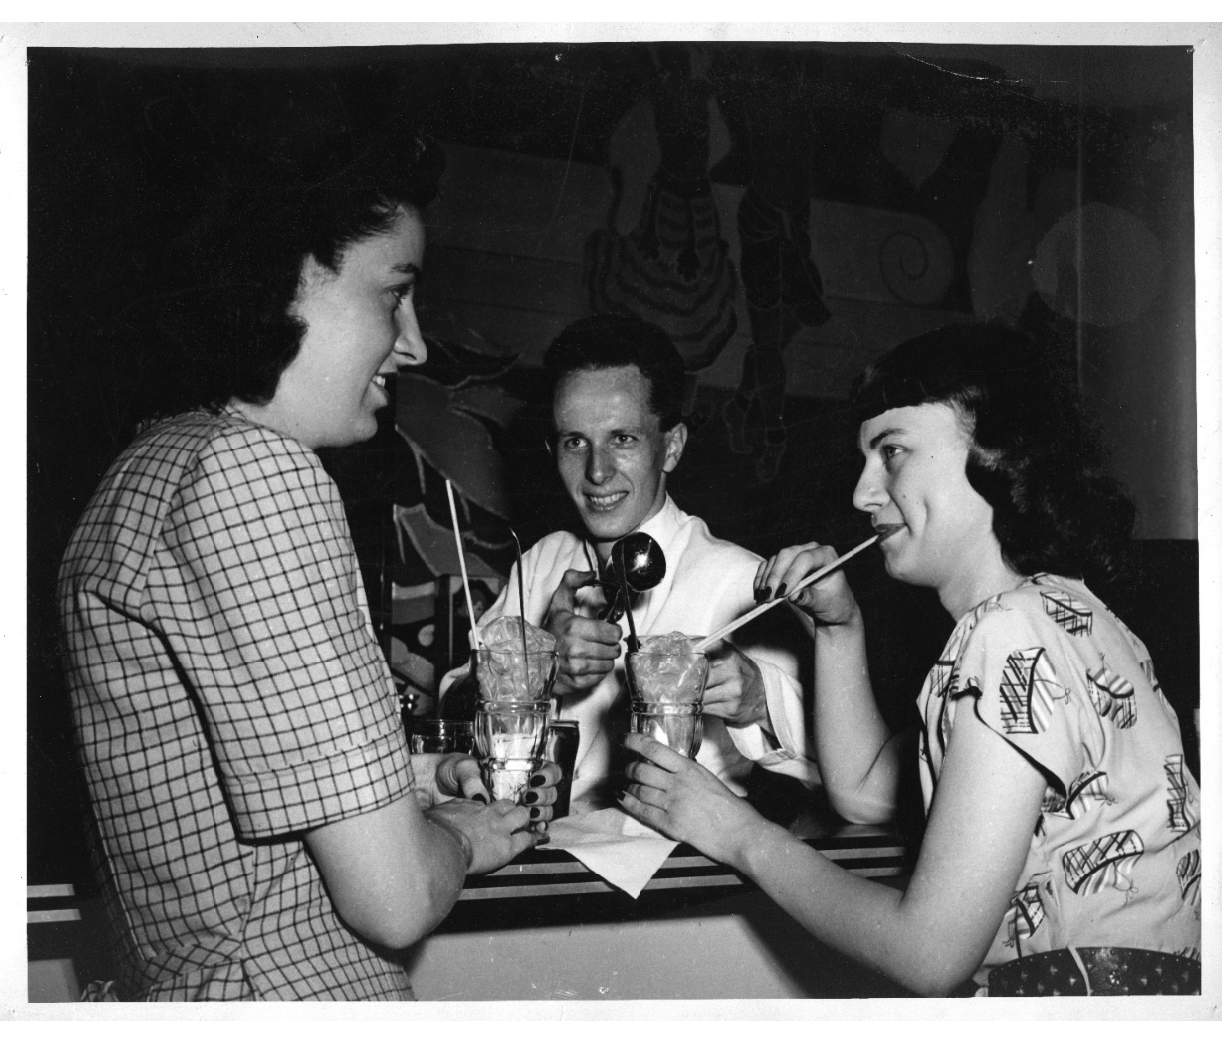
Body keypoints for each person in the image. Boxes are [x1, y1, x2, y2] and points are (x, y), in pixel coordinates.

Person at [57, 136, 558, 1001]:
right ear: (285, 277)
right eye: (394, 294)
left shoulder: (149, 464)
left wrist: (423, 777)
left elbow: (231, 784)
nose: (414, 346)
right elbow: (394, 901)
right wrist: (465, 836)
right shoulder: (258, 473)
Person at [620, 325, 1201, 996]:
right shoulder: (1062, 612)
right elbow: (865, 789)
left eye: (892, 451)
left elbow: (928, 953)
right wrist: (838, 629)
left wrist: (737, 833)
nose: (864, 493)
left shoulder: (1008, 633)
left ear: (995, 451)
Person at [441, 313, 817, 807]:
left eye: (623, 439)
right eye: (575, 441)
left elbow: (844, 777)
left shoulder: (746, 581)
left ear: (672, 448)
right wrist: (531, 668)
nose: (596, 471)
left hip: (676, 873)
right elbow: (451, 705)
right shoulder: (543, 561)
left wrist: (757, 702)